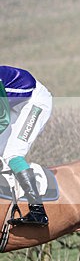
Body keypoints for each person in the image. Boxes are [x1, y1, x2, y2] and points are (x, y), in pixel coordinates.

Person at [0, 66, 53, 226]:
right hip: (13, 104)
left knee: (12, 153)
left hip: (35, 102)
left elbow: (3, 120)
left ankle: (37, 210)